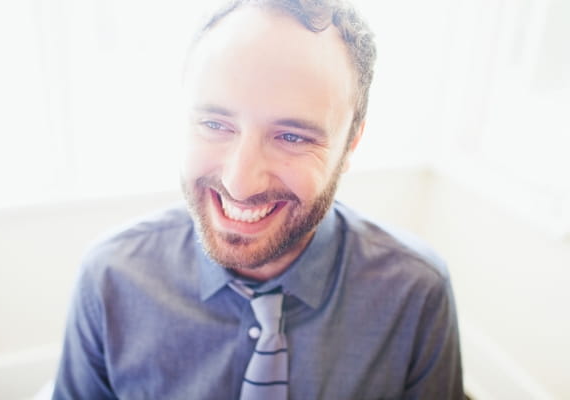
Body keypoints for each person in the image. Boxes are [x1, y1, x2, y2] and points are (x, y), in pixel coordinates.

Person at [53, 0, 464, 398]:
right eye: (215, 123)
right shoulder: (109, 278)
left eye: (292, 136)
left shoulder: (416, 293)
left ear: (351, 144)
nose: (240, 183)